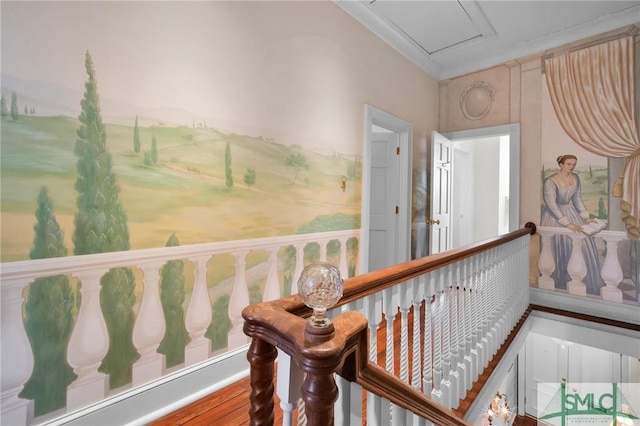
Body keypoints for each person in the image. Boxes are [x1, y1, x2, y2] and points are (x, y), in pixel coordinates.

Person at [540, 154, 603, 295]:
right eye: (569, 164)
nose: (572, 166)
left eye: (574, 164)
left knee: (583, 242)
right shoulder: (550, 181)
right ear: (561, 165)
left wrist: (586, 217)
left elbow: (577, 198)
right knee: (559, 245)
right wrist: (567, 223)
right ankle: (560, 283)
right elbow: (551, 204)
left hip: (571, 212)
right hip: (555, 216)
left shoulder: (576, 178)